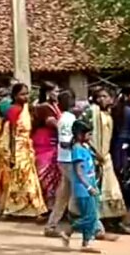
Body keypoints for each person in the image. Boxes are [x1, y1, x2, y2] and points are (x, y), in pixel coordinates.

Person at [1, 82, 48, 217]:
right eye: (22, 94)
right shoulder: (14, 110)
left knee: (28, 177)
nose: (25, 97)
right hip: (18, 147)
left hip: (27, 147)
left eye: (27, 94)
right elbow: (11, 133)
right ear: (15, 96)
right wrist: (12, 154)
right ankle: (30, 208)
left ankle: (27, 209)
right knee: (23, 177)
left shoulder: (27, 108)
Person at [84, 88, 127, 230]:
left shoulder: (109, 113)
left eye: (105, 96)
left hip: (106, 157)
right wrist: (94, 151)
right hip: (94, 156)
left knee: (112, 190)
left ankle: (111, 222)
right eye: (99, 97)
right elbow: (82, 131)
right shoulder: (91, 112)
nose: (102, 99)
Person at [60, 119, 102, 253]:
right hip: (84, 188)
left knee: (91, 214)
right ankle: (69, 231)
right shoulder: (77, 150)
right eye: (88, 134)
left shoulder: (85, 147)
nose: (90, 137)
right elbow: (79, 172)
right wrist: (89, 187)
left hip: (90, 184)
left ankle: (86, 243)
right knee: (90, 217)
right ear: (79, 135)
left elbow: (100, 158)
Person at [46, 88, 79, 235]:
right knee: (81, 193)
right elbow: (65, 142)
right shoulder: (68, 120)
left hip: (64, 159)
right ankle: (94, 228)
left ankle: (51, 225)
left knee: (63, 194)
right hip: (70, 159)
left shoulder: (63, 118)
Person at [111, 86, 130, 232]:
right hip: (127, 150)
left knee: (117, 184)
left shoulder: (115, 110)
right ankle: (125, 221)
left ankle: (113, 219)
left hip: (115, 149)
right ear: (128, 95)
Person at [33, 82, 63, 211]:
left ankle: (51, 203)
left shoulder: (54, 106)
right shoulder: (43, 107)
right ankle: (44, 203)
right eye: (55, 92)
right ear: (47, 93)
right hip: (45, 142)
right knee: (45, 173)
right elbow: (52, 123)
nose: (58, 94)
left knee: (54, 173)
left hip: (54, 141)